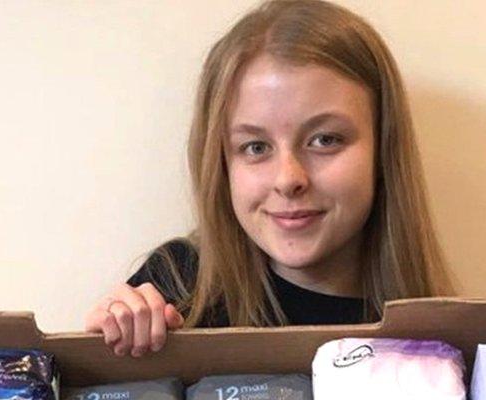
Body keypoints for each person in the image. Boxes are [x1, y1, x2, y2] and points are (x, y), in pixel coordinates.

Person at [85, 0, 452, 357]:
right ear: (221, 163)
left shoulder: (441, 343)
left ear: (382, 149)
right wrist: (98, 352)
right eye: (256, 147)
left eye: (325, 140)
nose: (289, 179)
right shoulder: (177, 288)